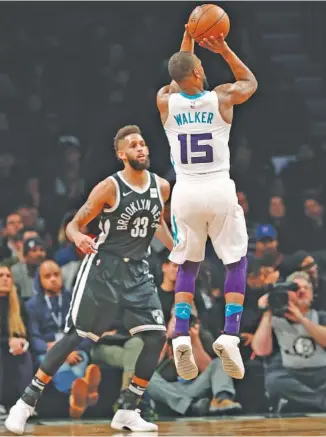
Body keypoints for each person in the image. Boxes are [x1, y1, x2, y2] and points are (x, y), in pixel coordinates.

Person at [5, 124, 173, 434]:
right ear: (122, 154)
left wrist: (178, 249)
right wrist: (78, 237)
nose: (140, 148)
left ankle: (128, 408)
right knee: (74, 336)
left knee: (156, 337)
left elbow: (157, 223)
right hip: (103, 270)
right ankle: (25, 403)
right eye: (133, 145)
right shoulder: (109, 187)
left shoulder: (161, 187)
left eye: (143, 143)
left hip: (137, 271)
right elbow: (75, 223)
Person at [156, 25, 258, 381]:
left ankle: (181, 333)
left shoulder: (165, 101)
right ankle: (230, 335)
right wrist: (224, 49)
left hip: (184, 191)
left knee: (187, 264)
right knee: (236, 260)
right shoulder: (221, 97)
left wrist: (187, 42)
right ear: (199, 71)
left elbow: (178, 70)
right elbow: (250, 83)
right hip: (218, 187)